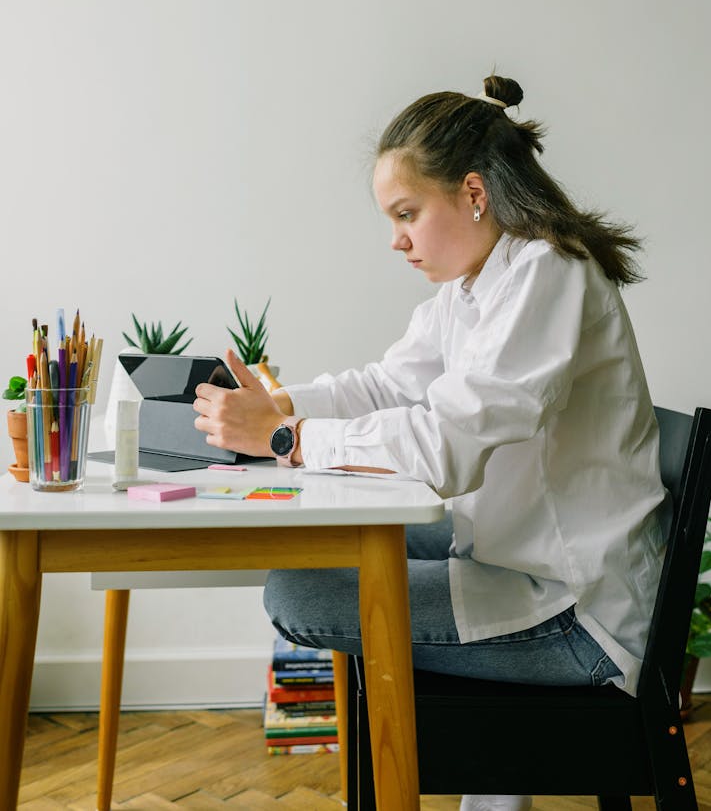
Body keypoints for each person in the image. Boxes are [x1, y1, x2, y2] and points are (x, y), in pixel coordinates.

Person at [193, 75, 668, 811]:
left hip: (577, 616)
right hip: (519, 557)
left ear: (474, 192)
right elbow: (390, 384)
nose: (397, 239)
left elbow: (448, 444)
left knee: (296, 590)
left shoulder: (549, 272)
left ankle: (474, 772)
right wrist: (282, 405)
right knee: (330, 550)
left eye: (407, 213)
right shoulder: (477, 286)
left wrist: (288, 438)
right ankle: (486, 788)